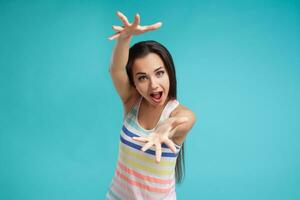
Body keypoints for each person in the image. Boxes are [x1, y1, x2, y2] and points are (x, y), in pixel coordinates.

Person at [106, 11, 196, 200]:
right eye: (142, 78)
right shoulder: (132, 102)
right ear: (134, 83)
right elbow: (116, 69)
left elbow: (187, 119)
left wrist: (166, 127)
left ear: (169, 73)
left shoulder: (177, 112)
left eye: (159, 73)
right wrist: (125, 38)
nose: (153, 84)